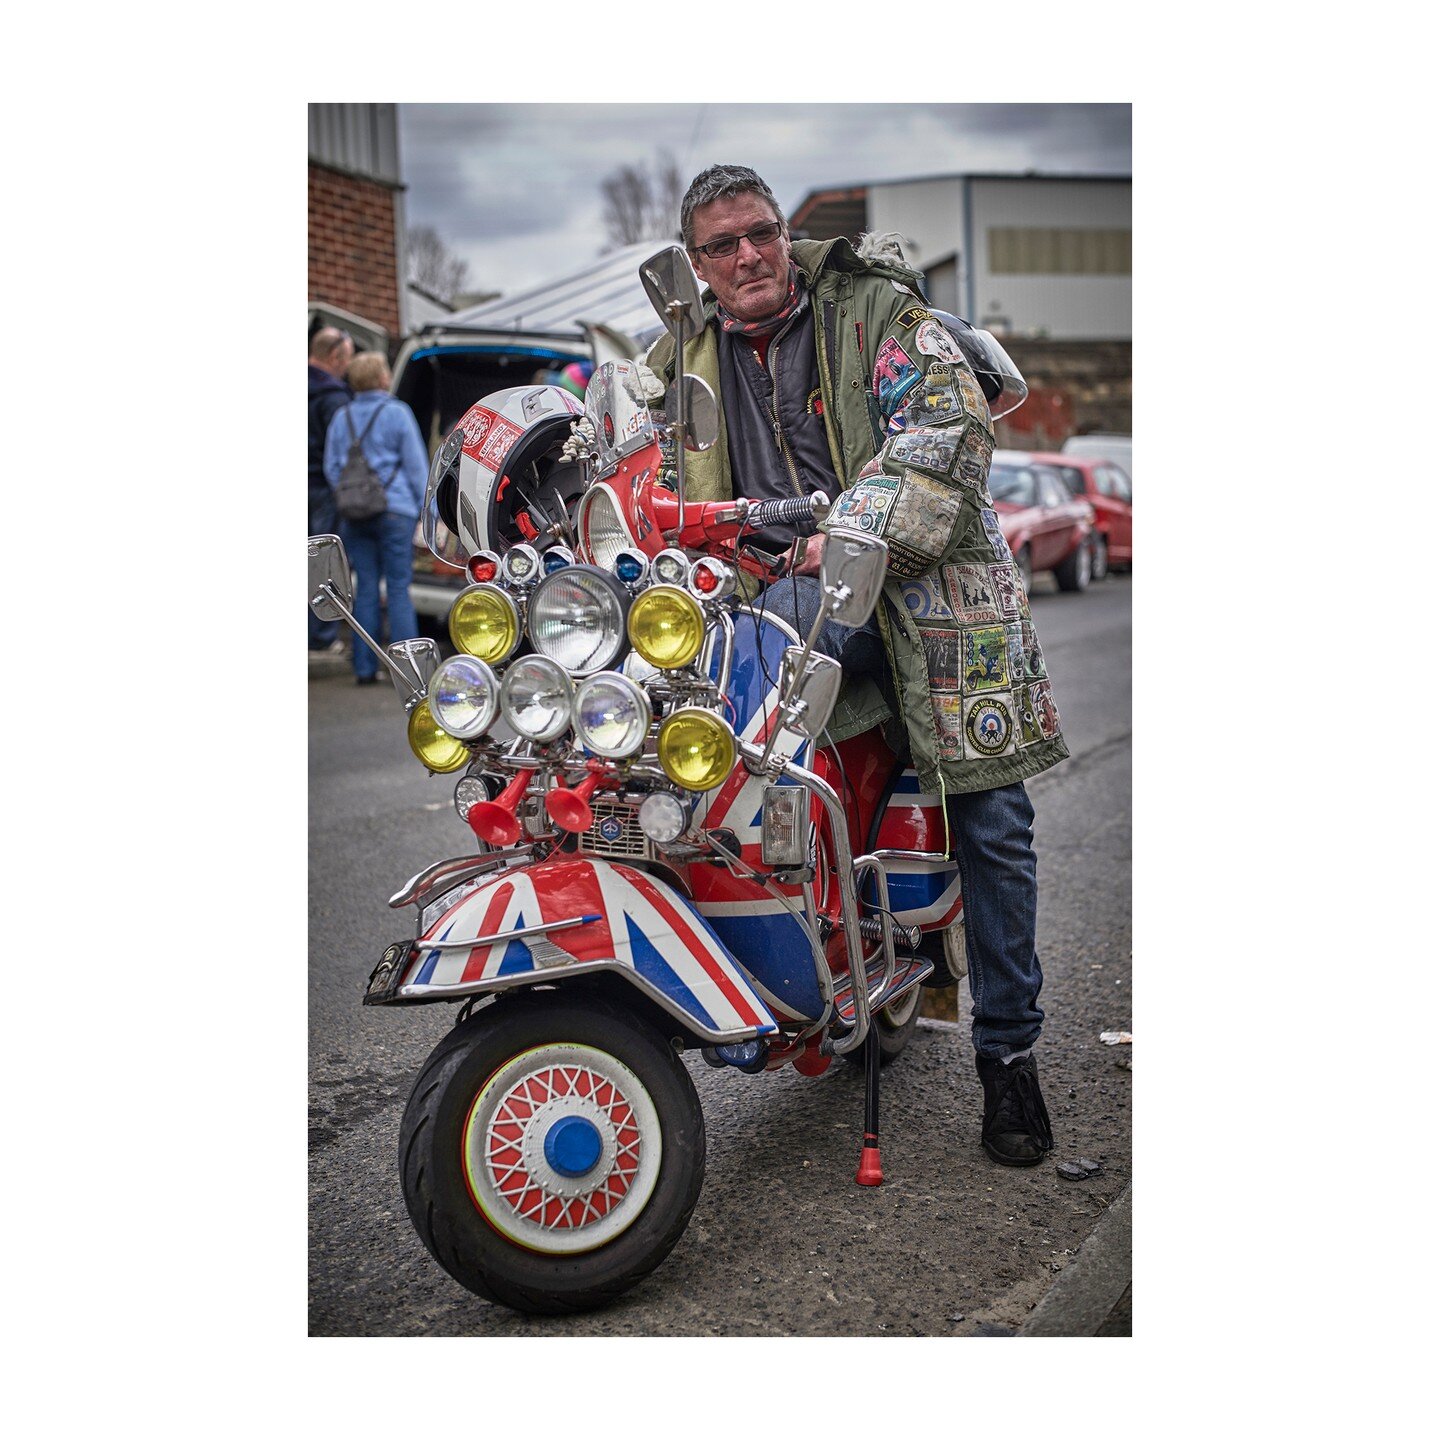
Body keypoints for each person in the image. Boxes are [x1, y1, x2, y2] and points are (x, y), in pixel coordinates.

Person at [647, 164, 1070, 1166]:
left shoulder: (877, 309)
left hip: (927, 588)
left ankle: (1009, 1055)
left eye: (760, 232)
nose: (749, 255)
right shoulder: (681, 359)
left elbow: (944, 429)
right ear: (698, 264)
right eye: (723, 245)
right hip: (767, 596)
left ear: (781, 232)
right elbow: (640, 466)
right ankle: (805, 956)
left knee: (993, 816)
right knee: (691, 752)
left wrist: (840, 533)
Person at [322, 351, 428, 685]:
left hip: (354, 513)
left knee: (365, 587)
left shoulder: (342, 417)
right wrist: (425, 509)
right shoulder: (397, 413)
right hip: (396, 510)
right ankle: (408, 672)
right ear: (382, 378)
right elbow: (416, 467)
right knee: (397, 588)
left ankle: (365, 668)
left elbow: (332, 467)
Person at [308, 326, 355, 652]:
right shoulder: (335, 397)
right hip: (323, 489)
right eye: (347, 360)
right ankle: (321, 636)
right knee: (323, 564)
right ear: (335, 356)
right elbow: (343, 452)